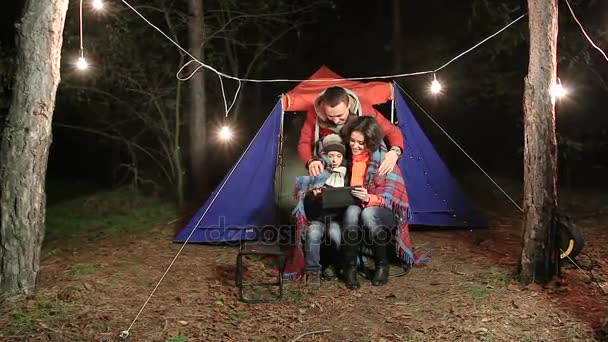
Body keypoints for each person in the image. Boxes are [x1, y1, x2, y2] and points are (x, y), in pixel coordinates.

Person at [339, 116, 426, 289]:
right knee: (351, 212)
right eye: (352, 141)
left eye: (360, 143)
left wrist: (368, 198)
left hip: (384, 210)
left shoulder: (384, 160)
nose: (355, 146)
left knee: (368, 213)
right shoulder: (347, 158)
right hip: (357, 203)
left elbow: (390, 199)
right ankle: (349, 267)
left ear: (370, 142)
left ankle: (382, 265)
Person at [297, 86, 404, 177]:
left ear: (348, 105)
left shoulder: (364, 109)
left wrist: (395, 151)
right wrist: (310, 161)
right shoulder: (314, 113)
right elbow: (304, 142)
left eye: (340, 115)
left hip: (359, 160)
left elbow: (392, 131)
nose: (336, 120)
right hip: (331, 161)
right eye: (330, 116)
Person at [293, 134, 348, 289]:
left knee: (336, 235)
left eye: (338, 156)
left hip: (336, 218)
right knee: (313, 234)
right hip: (318, 218)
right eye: (331, 156)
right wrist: (315, 196)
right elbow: (306, 205)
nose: (335, 159)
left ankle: (334, 265)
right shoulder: (317, 176)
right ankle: (313, 271)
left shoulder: (347, 176)